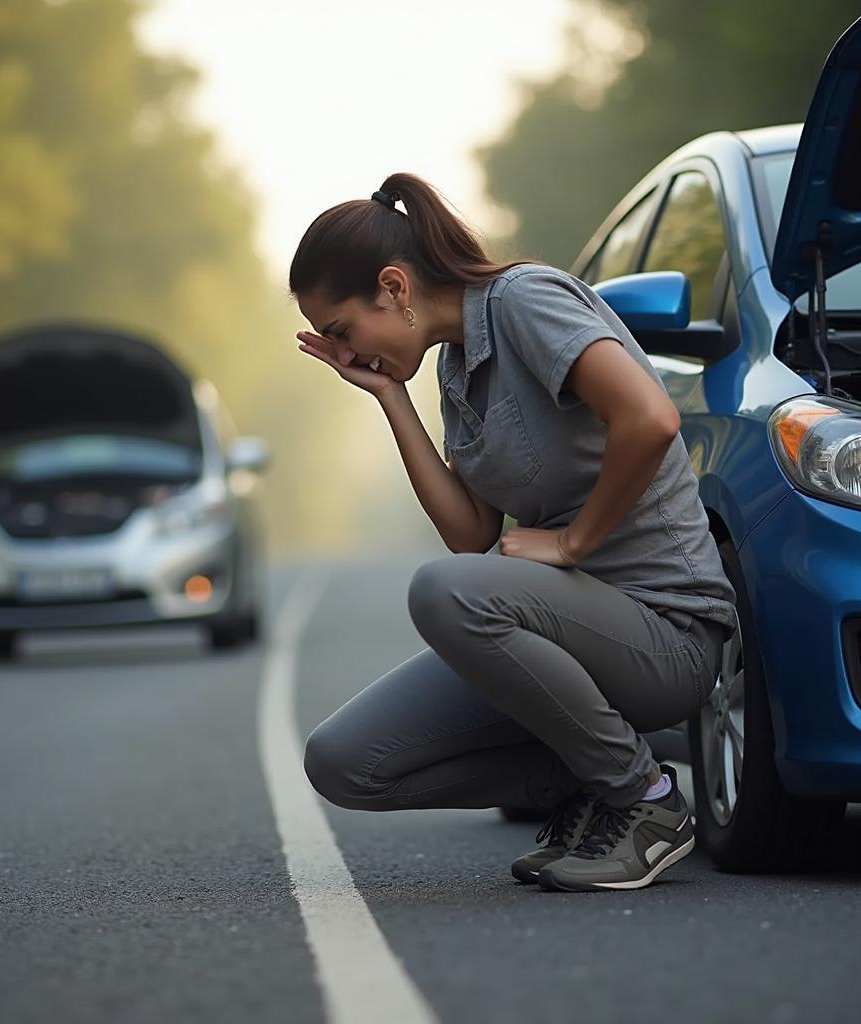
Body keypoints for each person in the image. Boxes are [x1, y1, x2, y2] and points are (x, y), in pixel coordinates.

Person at [288, 172, 738, 893]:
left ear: (394, 288)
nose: (347, 351)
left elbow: (650, 419)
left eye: (344, 332)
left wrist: (573, 543)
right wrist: (390, 396)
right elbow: (472, 538)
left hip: (665, 632)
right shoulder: (455, 369)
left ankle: (645, 801)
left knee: (444, 592)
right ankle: (592, 781)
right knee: (344, 762)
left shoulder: (525, 299)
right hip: (569, 635)